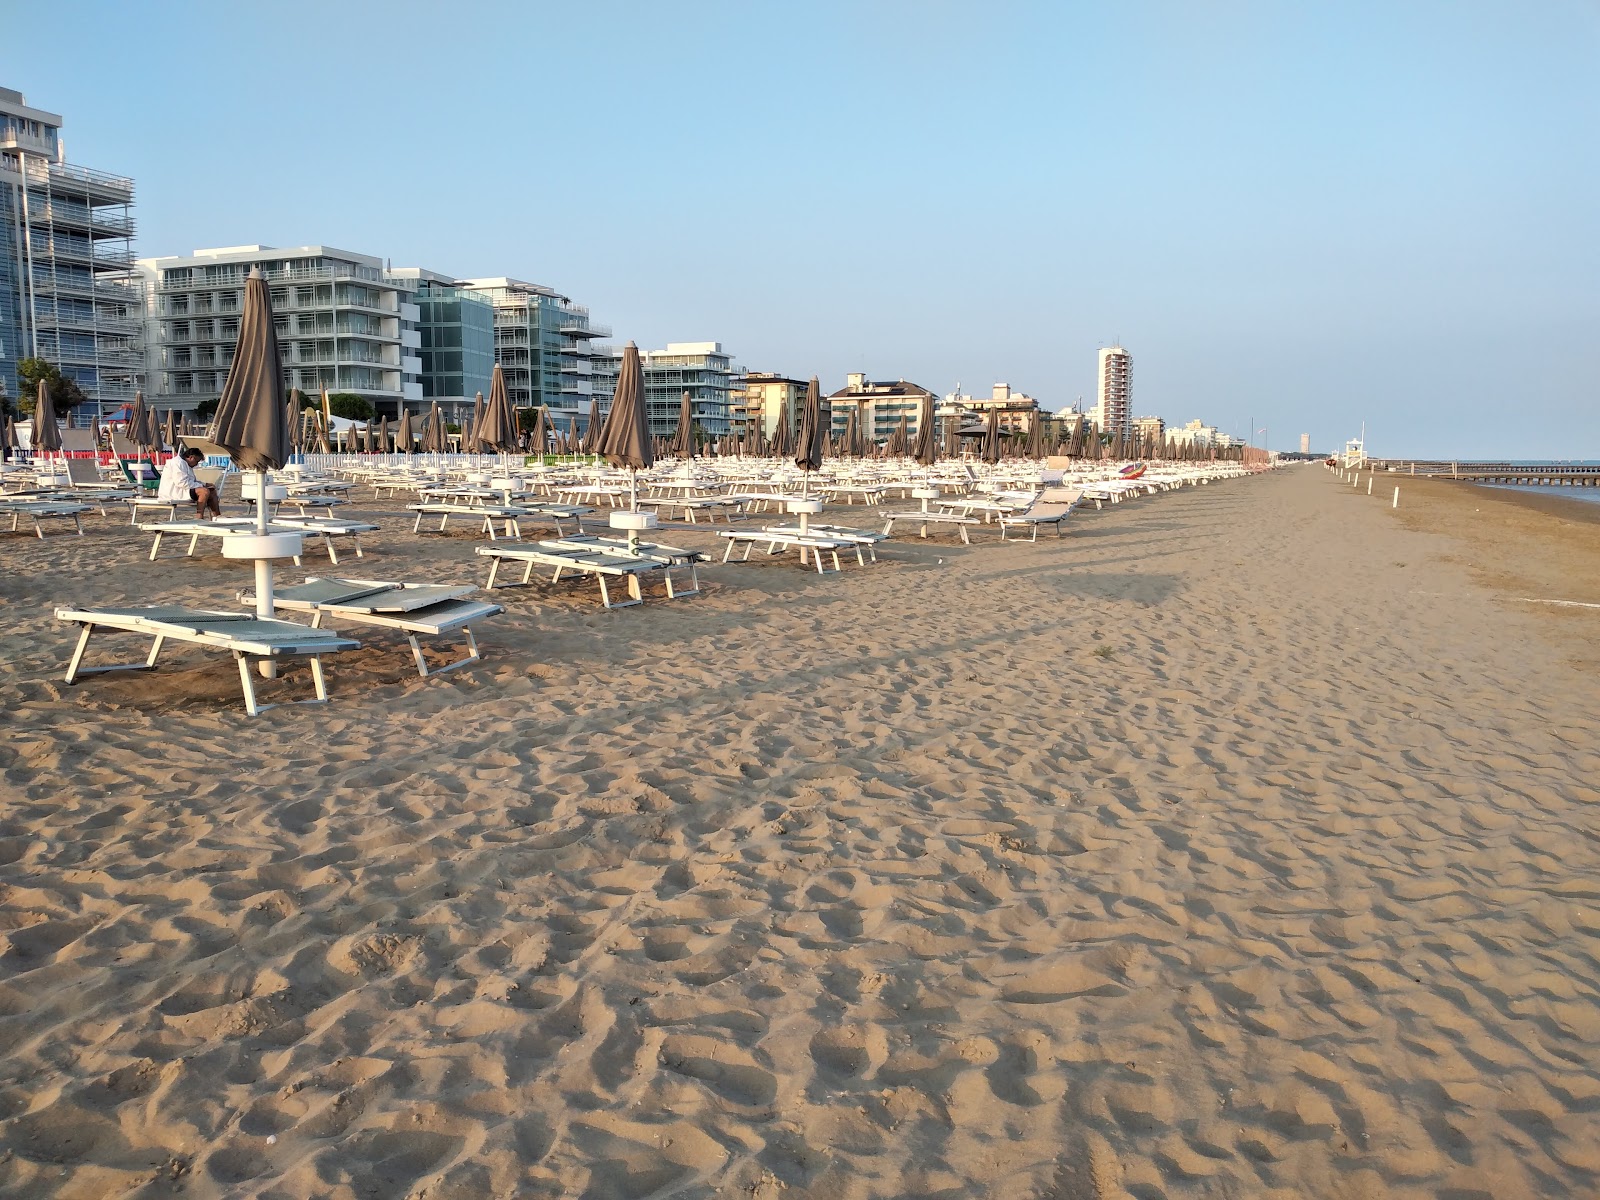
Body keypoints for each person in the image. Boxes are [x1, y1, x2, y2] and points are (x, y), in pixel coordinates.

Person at [158, 446, 221, 518]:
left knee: (212, 491)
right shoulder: (177, 463)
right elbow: (181, 482)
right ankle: (199, 516)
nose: (196, 464)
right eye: (196, 461)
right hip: (174, 492)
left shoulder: (185, 464)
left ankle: (217, 516)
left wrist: (205, 484)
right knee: (204, 492)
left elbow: (191, 481)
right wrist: (202, 486)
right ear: (191, 457)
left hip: (183, 489)